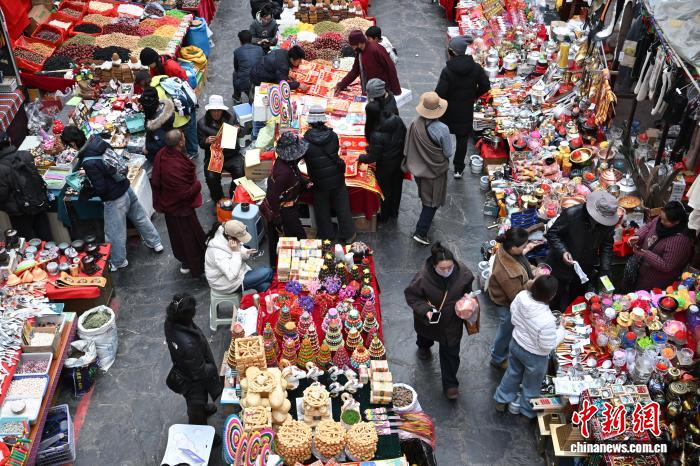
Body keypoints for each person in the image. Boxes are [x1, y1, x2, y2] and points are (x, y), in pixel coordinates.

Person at [60, 126, 163, 271]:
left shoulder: (88, 162)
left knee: (114, 233)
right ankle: (156, 243)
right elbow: (108, 165)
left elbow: (101, 188)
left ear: (72, 143)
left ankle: (118, 261)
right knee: (141, 217)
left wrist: (89, 189)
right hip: (125, 186)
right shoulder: (97, 141)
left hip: (115, 198)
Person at [404, 242, 476, 400]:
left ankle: (450, 384)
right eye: (442, 269)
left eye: (449, 267)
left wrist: (467, 300)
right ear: (434, 265)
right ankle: (423, 346)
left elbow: (468, 290)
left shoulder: (464, 273)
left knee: (451, 352)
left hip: (452, 320)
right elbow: (413, 296)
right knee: (425, 335)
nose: (446, 271)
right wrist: (425, 311)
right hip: (429, 318)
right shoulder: (422, 277)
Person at [494, 275, 563, 418]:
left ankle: (501, 400)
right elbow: (547, 346)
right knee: (532, 385)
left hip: (516, 343)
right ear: (551, 296)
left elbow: (513, 314)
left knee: (512, 373)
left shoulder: (521, 296)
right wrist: (561, 331)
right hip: (535, 356)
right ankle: (526, 412)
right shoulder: (547, 320)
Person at [545, 191, 618, 311]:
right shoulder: (572, 214)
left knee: (577, 298)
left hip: (585, 265)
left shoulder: (608, 223)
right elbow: (552, 234)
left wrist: (605, 268)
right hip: (560, 263)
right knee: (555, 295)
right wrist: (563, 251)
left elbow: (607, 245)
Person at [164, 293, 223, 441]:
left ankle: (204, 408)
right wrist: (214, 368)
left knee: (201, 398)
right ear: (187, 315)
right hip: (192, 379)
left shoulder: (171, 322)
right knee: (195, 404)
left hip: (184, 367)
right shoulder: (188, 345)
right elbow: (200, 371)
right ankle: (202, 434)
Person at [151, 130, 206, 276]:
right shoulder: (173, 167)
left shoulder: (162, 154)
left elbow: (156, 181)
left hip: (169, 205)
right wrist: (197, 185)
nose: (185, 139)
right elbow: (183, 194)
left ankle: (185, 261)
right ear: (180, 142)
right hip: (180, 208)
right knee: (189, 237)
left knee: (177, 236)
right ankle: (196, 265)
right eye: (183, 137)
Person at [435, 35, 490, 179]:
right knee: (462, 140)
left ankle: (441, 163)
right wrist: (474, 95)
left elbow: (439, 93)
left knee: (442, 136)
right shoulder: (476, 68)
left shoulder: (447, 71)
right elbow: (485, 85)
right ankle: (458, 169)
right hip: (465, 110)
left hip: (448, 111)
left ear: (452, 53)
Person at [488, 228, 544, 370]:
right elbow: (518, 295)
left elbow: (523, 263)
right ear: (513, 247)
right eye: (523, 246)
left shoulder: (509, 251)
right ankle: (497, 358)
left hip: (508, 296)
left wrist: (533, 270)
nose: (525, 248)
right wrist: (535, 280)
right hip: (505, 302)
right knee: (506, 330)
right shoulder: (507, 273)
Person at [404, 92, 454, 245]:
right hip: (434, 170)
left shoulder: (415, 123)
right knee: (432, 202)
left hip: (418, 167)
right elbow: (448, 152)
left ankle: (425, 218)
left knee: (425, 194)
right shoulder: (442, 129)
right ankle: (421, 232)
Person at [303, 105, 356, 242]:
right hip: (337, 178)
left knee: (322, 209)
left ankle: (327, 235)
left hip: (318, 181)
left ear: (310, 122)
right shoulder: (333, 136)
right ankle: (349, 235)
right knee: (342, 207)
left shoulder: (305, 140)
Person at [359, 80, 406, 221]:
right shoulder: (395, 119)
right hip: (398, 156)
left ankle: (385, 216)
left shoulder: (377, 132)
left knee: (385, 189)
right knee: (396, 186)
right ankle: (393, 212)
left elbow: (374, 155)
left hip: (386, 162)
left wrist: (361, 157)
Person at [262, 132, 311, 265]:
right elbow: (272, 196)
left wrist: (305, 182)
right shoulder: (283, 172)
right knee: (298, 237)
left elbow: (296, 173)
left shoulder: (288, 162)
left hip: (290, 206)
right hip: (284, 210)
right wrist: (277, 216)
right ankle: (298, 263)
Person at [627, 201, 695, 291]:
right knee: (631, 286)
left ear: (677, 222)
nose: (661, 221)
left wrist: (645, 254)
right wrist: (638, 236)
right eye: (661, 217)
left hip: (655, 278)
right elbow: (649, 226)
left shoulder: (680, 241)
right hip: (641, 266)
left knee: (642, 293)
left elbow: (667, 265)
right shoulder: (660, 219)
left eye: (665, 221)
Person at [0, 132, 52, 240]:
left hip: (19, 213)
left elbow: (2, 196)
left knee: (28, 243)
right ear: (9, 140)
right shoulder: (26, 155)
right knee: (46, 237)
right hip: (38, 202)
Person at [205, 220, 274, 293]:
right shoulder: (217, 252)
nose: (241, 242)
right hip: (225, 284)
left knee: (265, 285)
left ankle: (263, 298)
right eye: (240, 239)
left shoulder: (228, 235)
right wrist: (236, 252)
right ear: (230, 237)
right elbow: (232, 275)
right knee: (268, 272)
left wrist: (246, 252)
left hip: (240, 272)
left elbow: (239, 248)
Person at [197, 95, 244, 203]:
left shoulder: (231, 117)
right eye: (214, 111)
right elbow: (201, 143)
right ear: (209, 111)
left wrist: (238, 130)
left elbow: (241, 130)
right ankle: (218, 199)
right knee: (211, 177)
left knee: (240, 172)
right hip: (214, 155)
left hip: (232, 154)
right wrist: (206, 141)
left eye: (219, 110)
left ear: (223, 110)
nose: (216, 113)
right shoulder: (201, 123)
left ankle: (234, 195)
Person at [335, 30, 401, 97]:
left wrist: (396, 90)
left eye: (353, 46)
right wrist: (342, 85)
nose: (353, 48)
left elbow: (390, 68)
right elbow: (355, 71)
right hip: (370, 89)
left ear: (359, 43)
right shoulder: (360, 52)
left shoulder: (376, 49)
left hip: (382, 90)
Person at [150, 75, 199, 159]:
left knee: (178, 139)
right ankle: (193, 151)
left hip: (177, 120)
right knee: (191, 132)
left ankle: (182, 157)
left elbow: (162, 110)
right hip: (187, 111)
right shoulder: (167, 80)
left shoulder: (157, 90)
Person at [140, 87, 175, 164]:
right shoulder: (163, 107)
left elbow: (161, 145)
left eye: (144, 106)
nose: (142, 108)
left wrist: (147, 148)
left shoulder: (158, 124)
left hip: (159, 157)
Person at [233, 30, 264, 105]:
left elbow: (236, 67)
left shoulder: (237, 51)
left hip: (245, 83)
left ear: (240, 41)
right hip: (260, 81)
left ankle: (237, 97)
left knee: (235, 73)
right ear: (251, 39)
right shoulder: (260, 49)